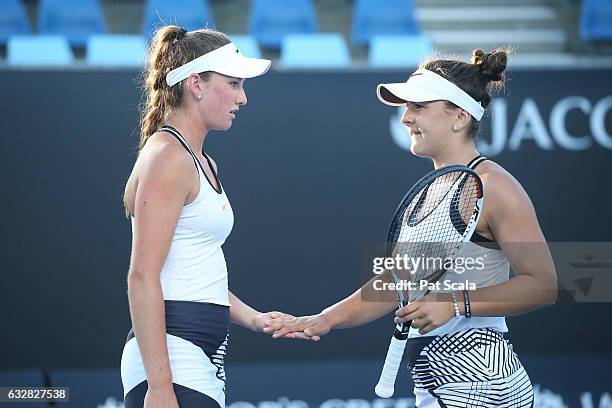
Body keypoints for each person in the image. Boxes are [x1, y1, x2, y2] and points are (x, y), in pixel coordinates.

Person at [268, 48, 557, 407]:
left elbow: (543, 284)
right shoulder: (433, 189)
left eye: (418, 106)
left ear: (460, 117)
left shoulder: (495, 186)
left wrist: (455, 303)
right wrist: (324, 319)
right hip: (440, 381)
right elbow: (397, 282)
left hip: (482, 380)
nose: (406, 118)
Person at [120, 26, 316, 408]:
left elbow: (192, 270)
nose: (243, 98)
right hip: (172, 358)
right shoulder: (169, 157)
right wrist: (161, 387)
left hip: (195, 352)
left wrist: (255, 318)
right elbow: (142, 275)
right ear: (196, 84)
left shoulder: (200, 160)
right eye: (234, 84)